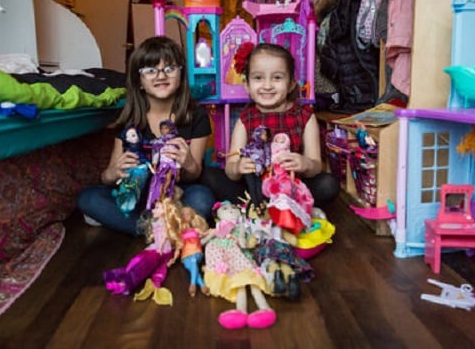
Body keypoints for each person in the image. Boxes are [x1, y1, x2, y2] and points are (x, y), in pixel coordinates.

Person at [77, 36, 215, 235]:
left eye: (169, 68)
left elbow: (194, 174)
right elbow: (107, 178)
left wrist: (189, 163)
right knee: (88, 198)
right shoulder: (129, 120)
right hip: (138, 195)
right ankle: (158, 229)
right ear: (139, 81)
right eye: (150, 70)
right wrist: (115, 171)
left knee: (202, 198)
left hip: (178, 193)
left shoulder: (196, 116)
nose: (161, 75)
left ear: (181, 75)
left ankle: (149, 227)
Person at [202, 42, 340, 213]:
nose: (267, 85)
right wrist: (238, 167)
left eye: (277, 78)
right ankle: (260, 205)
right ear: (247, 85)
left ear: (291, 84)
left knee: (328, 184)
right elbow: (231, 167)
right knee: (209, 176)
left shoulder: (305, 116)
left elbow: (316, 164)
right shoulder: (245, 119)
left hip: (292, 187)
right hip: (254, 187)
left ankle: (278, 207)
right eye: (258, 78)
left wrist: (305, 164)